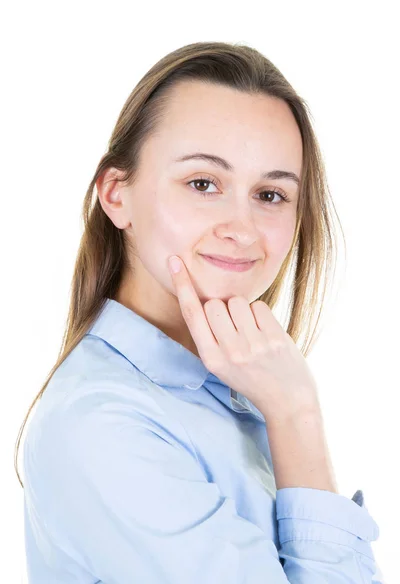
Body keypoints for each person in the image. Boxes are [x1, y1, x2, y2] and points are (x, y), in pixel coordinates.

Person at [16, 41, 384, 583]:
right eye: (203, 184)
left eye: (271, 194)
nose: (242, 228)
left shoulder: (233, 386)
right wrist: (297, 418)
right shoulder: (102, 424)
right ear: (117, 195)